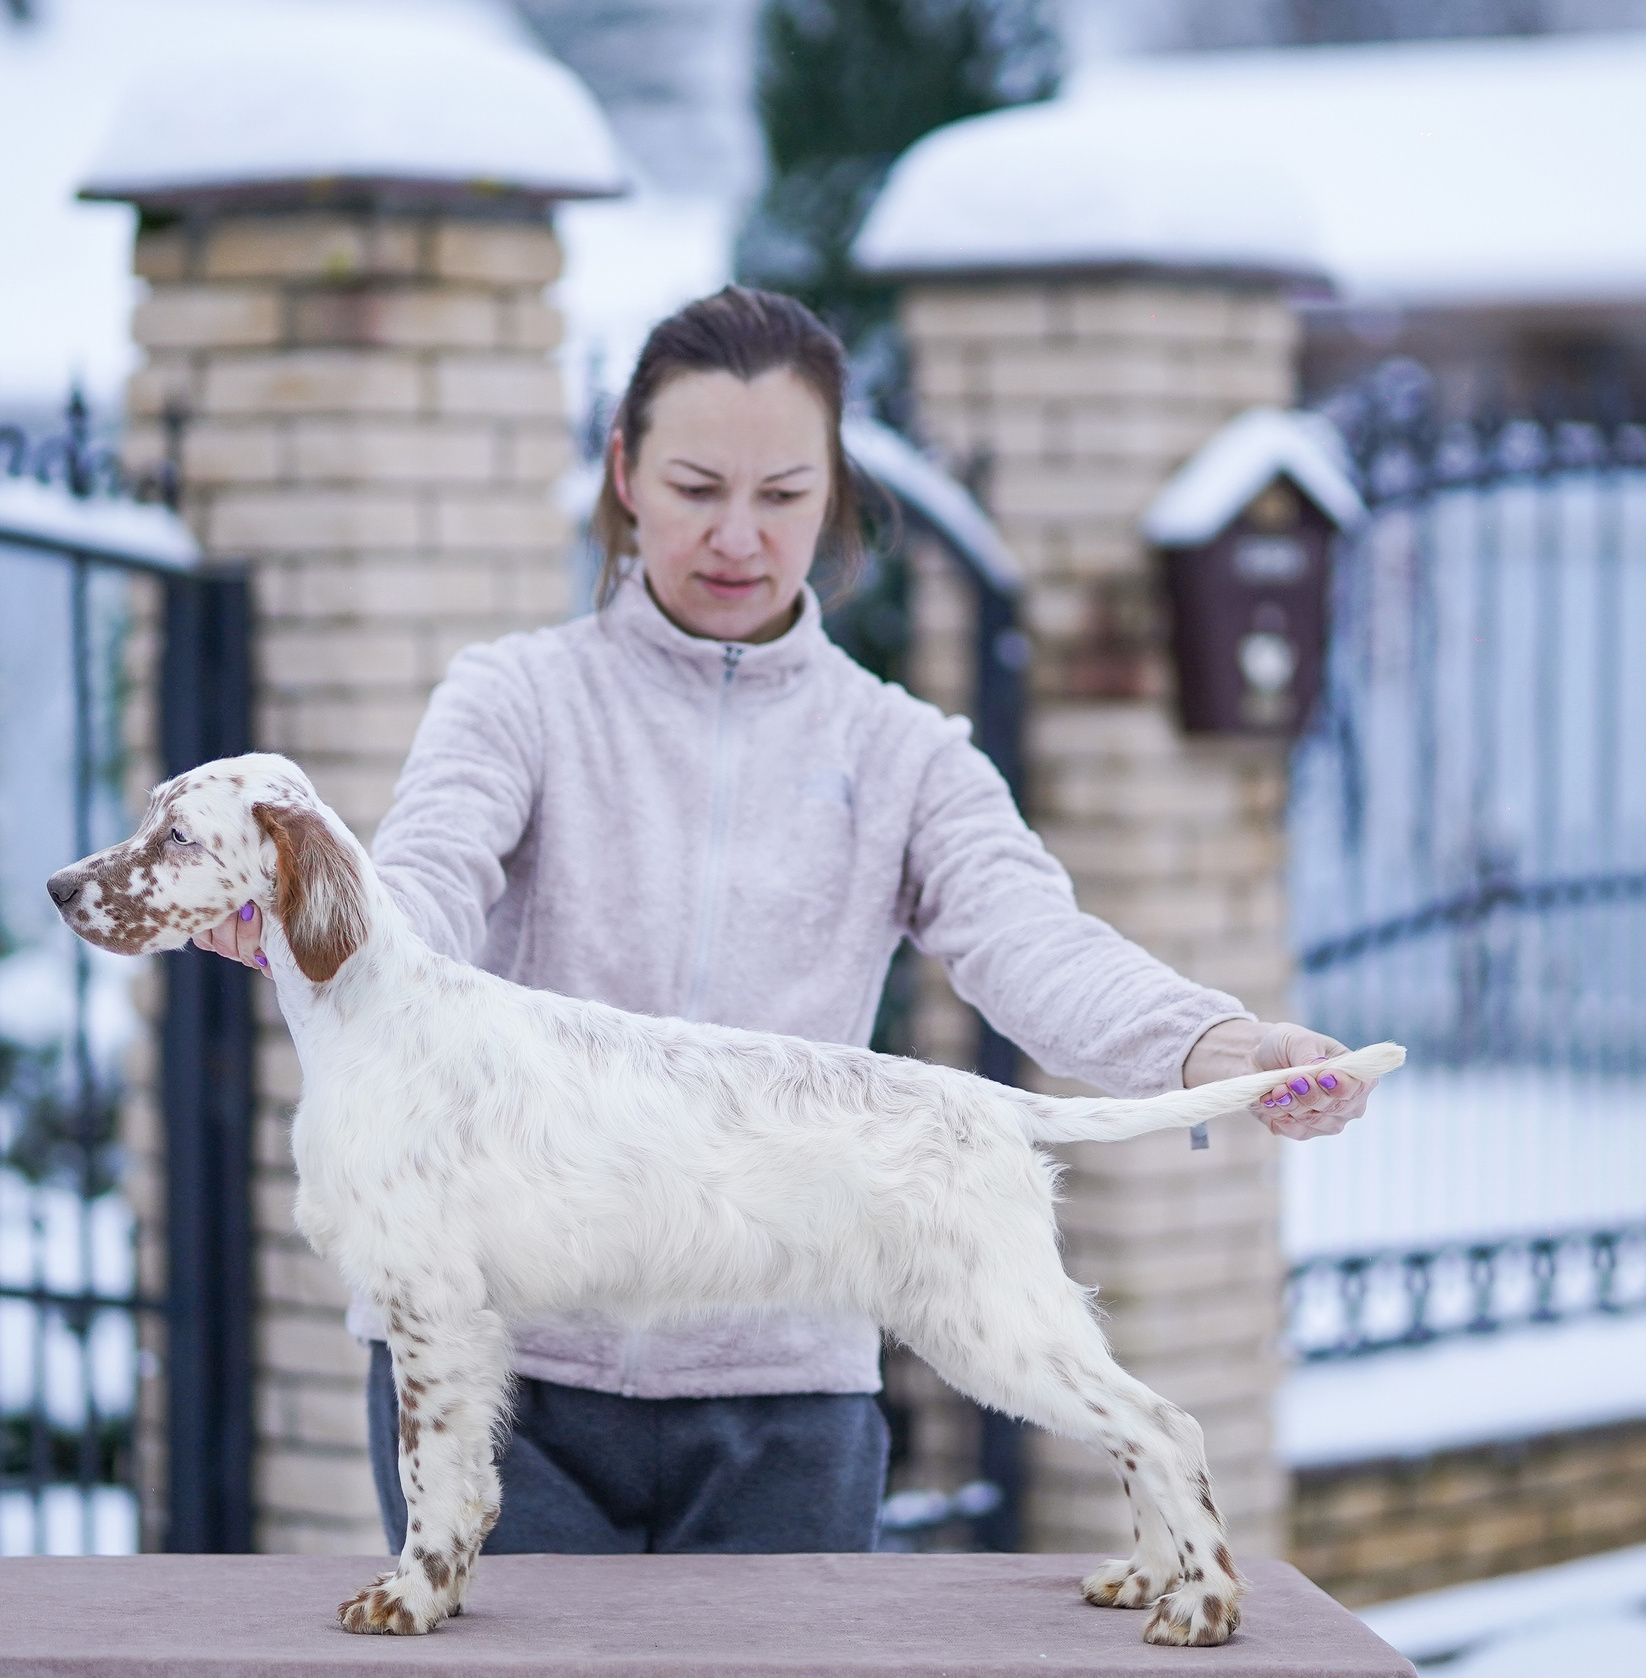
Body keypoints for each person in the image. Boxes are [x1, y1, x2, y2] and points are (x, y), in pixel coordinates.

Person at [194, 284, 1375, 1557]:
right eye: (697, 487)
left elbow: (1034, 941)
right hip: (507, 1373)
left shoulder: (905, 752)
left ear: (836, 497)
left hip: (788, 1399)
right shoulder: (515, 699)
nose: (738, 537)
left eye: (783, 495)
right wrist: (331, 933)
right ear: (624, 472)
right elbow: (428, 876)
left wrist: (1208, 1045)